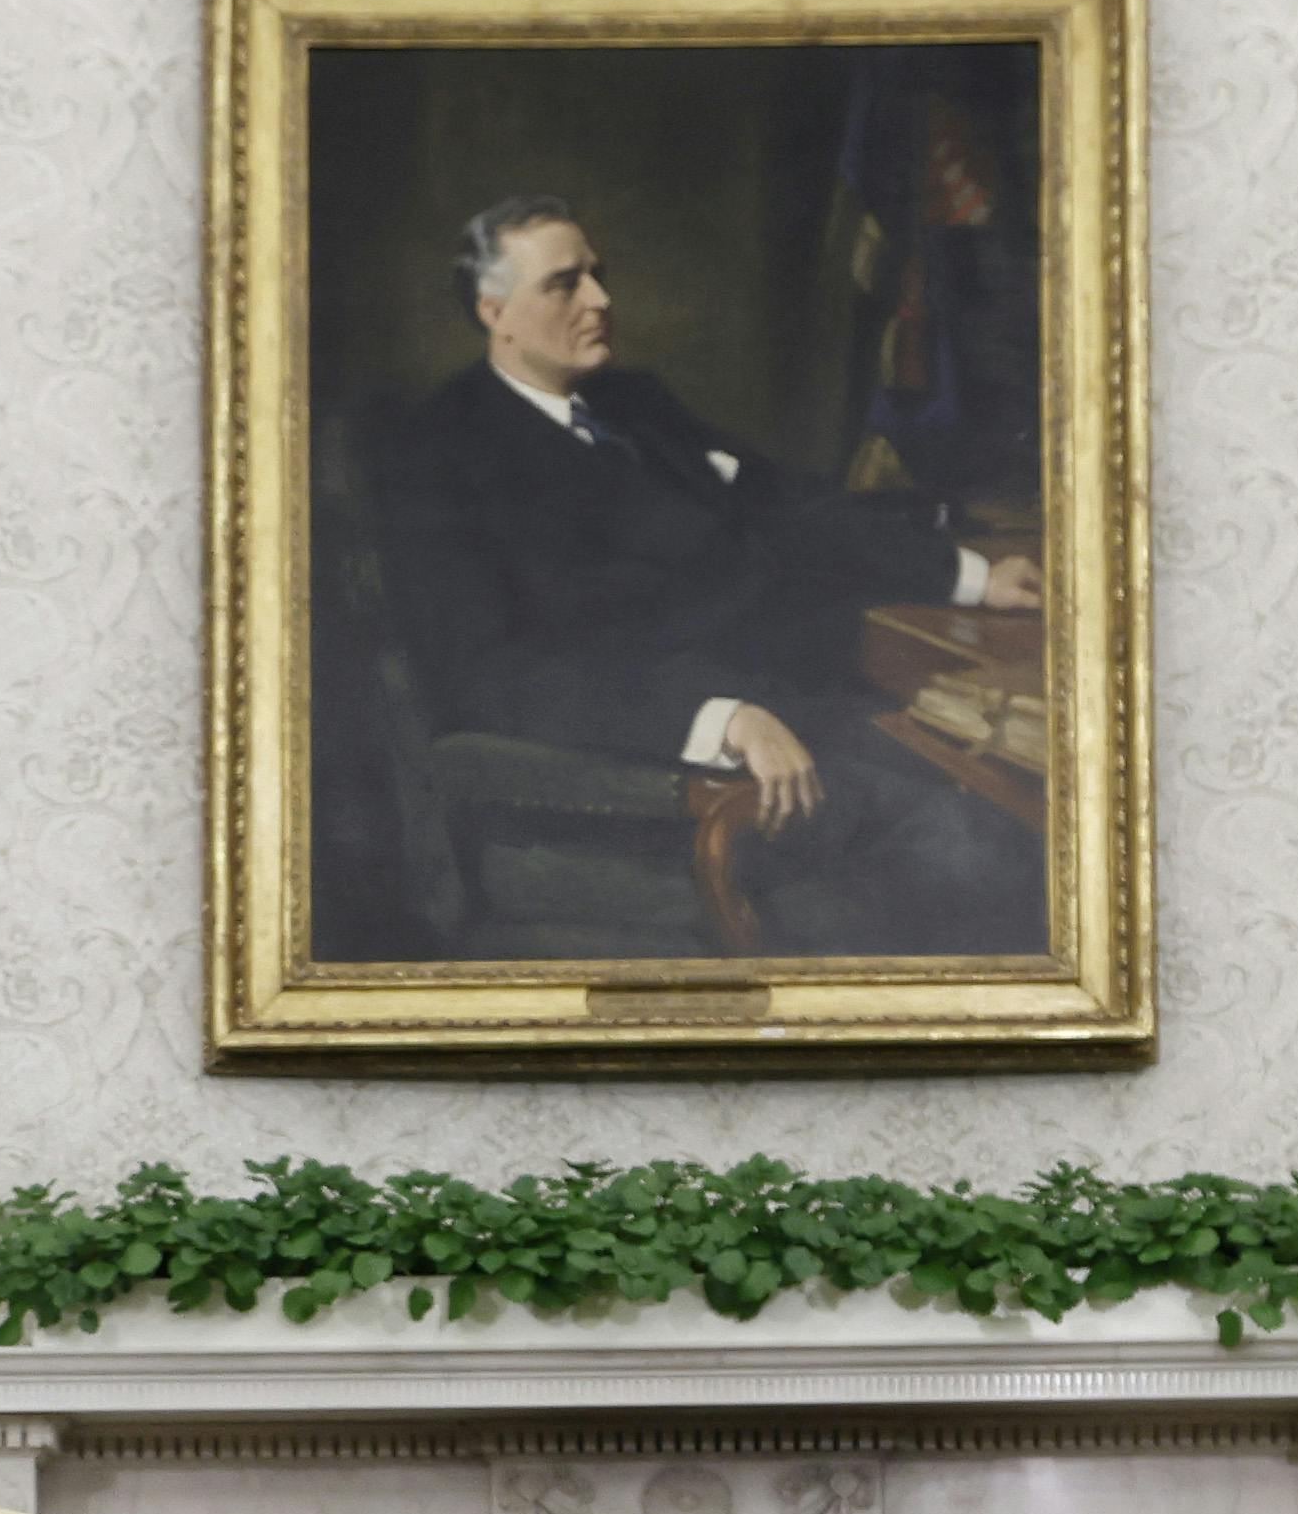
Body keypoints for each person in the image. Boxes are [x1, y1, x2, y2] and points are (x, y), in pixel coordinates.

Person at [365, 195, 1054, 958]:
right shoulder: (440, 453)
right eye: (566, 284)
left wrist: (969, 575)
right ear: (496, 311)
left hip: (804, 709)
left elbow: (785, 509)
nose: (601, 300)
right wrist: (720, 717)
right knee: (985, 840)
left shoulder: (632, 403)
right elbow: (490, 674)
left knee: (1018, 787)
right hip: (655, 777)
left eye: (598, 275)